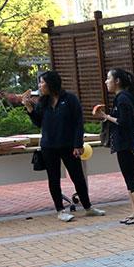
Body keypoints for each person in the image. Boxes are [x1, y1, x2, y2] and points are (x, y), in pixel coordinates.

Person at [22, 71, 105, 222]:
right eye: (39, 83)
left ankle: (88, 207)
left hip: (68, 145)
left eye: (42, 82)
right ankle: (60, 210)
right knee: (53, 179)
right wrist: (29, 108)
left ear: (51, 83)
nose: (40, 85)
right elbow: (39, 123)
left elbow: (78, 123)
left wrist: (78, 144)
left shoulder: (70, 99)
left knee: (78, 177)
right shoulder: (43, 102)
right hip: (49, 146)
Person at [93, 69, 134, 225]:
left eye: (108, 78)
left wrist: (105, 116)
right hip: (123, 142)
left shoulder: (123, 98)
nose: (106, 82)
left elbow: (123, 121)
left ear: (117, 81)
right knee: (128, 178)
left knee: (131, 178)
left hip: (125, 142)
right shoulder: (121, 97)